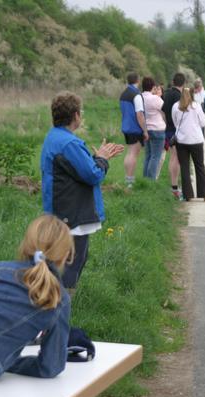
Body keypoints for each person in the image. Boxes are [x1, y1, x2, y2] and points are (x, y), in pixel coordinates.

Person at [0, 215, 73, 384]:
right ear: (66, 255)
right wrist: (8, 363)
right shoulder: (59, 299)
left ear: (25, 245)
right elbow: (51, 366)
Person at [41, 91, 124, 293]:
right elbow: (93, 175)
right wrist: (102, 159)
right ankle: (61, 305)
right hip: (71, 214)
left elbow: (77, 170)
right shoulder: (69, 143)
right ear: (76, 115)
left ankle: (51, 301)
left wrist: (96, 159)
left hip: (60, 209)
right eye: (81, 112)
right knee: (71, 263)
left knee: (63, 261)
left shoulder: (55, 137)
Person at [172, 88, 205, 202]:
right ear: (192, 94)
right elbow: (203, 122)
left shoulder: (176, 106)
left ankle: (188, 195)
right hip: (196, 140)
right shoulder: (196, 106)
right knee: (200, 166)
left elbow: (175, 122)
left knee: (185, 167)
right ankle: (204, 194)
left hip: (182, 140)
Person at [120, 73, 149, 188]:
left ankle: (128, 179)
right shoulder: (136, 95)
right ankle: (130, 181)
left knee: (129, 153)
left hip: (126, 127)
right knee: (133, 154)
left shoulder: (123, 94)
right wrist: (145, 130)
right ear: (138, 80)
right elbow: (139, 115)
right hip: (135, 128)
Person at [162, 73, 186, 199]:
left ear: (173, 81)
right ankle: (174, 187)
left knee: (172, 157)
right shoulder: (180, 96)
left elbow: (162, 111)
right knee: (176, 158)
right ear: (184, 83)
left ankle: (173, 185)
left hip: (167, 129)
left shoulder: (166, 94)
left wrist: (165, 123)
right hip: (177, 130)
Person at [141, 76, 166, 180]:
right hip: (157, 129)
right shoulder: (155, 99)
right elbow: (165, 110)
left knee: (148, 156)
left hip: (146, 129)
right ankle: (151, 180)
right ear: (152, 87)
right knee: (156, 157)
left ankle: (145, 179)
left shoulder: (140, 97)